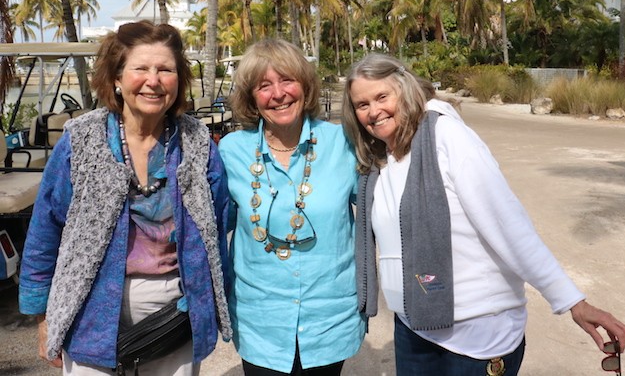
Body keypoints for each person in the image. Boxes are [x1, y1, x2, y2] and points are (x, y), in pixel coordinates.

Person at [341, 53, 625, 375]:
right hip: (414, 329)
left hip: (477, 336)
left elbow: (508, 225)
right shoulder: (379, 161)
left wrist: (571, 300)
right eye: (362, 104)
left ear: (405, 90)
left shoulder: (447, 137)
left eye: (382, 97)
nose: (373, 111)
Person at [18, 20, 231, 375]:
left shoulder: (197, 142)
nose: (153, 80)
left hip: (175, 313)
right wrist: (43, 318)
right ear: (117, 78)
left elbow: (220, 226)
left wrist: (214, 305)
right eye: (140, 69)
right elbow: (46, 229)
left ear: (179, 80)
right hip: (90, 311)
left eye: (165, 70)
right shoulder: (81, 139)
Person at [218, 38, 365, 375]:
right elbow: (209, 224)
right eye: (264, 86)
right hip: (261, 323)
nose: (278, 94)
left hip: (329, 319)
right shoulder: (231, 151)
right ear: (251, 97)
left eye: (287, 80)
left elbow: (383, 210)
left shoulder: (342, 143)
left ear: (306, 85)